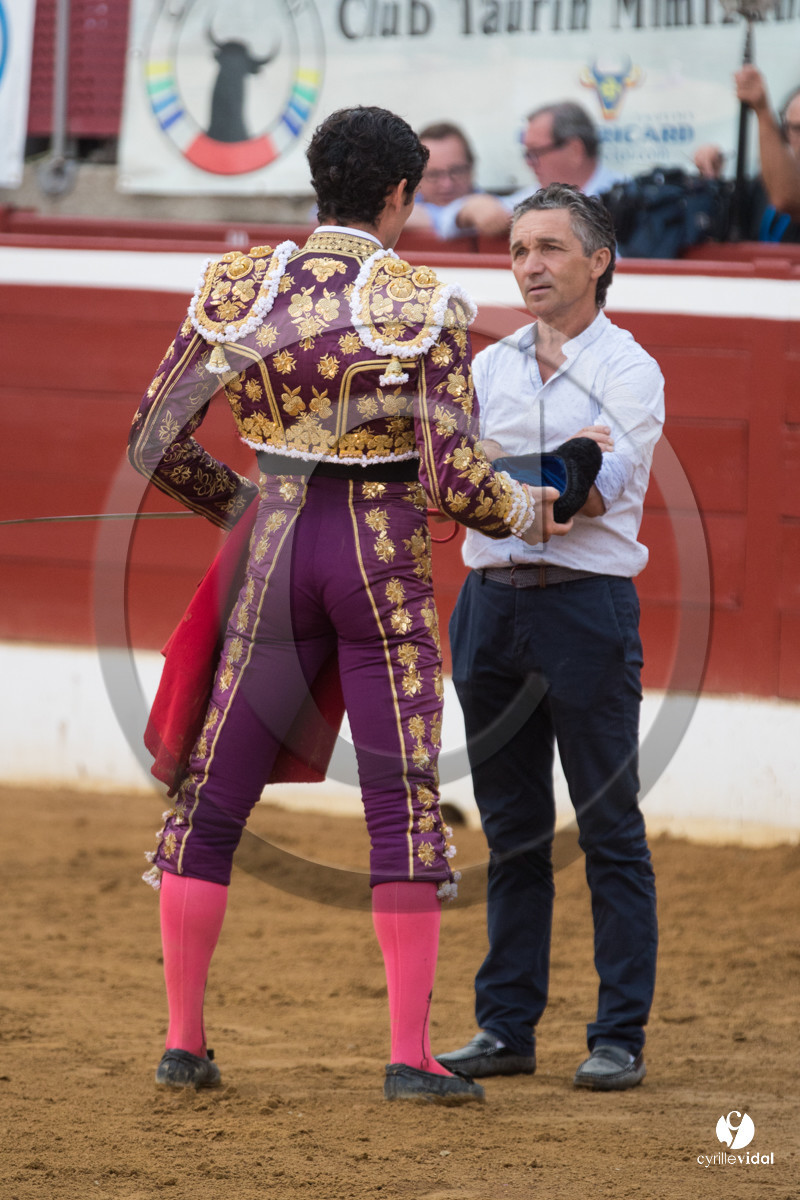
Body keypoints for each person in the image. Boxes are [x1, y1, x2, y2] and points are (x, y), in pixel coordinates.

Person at [127, 105, 569, 1106]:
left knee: (213, 797)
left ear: (319, 185)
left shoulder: (238, 288)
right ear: (399, 193)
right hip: (375, 558)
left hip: (274, 549)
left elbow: (154, 437)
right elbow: (454, 481)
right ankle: (410, 1056)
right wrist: (522, 511)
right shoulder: (423, 303)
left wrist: (240, 505)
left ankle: (183, 1044)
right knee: (399, 801)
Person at [436, 184, 663, 1092]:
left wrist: (489, 476)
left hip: (584, 609)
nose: (529, 264)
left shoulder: (630, 369)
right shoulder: (490, 367)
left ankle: (619, 1034)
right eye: (521, 248)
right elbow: (447, 470)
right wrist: (516, 478)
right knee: (514, 827)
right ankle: (507, 1026)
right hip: (490, 606)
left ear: (598, 261)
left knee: (609, 827)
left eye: (551, 249)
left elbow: (590, 485)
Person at [694, 66, 800, 241]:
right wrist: (710, 178)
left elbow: (787, 199)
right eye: (797, 129)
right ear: (785, 132)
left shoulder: (781, 189)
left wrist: (762, 110)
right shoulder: (760, 187)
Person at [502, 101, 626, 211]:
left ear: (574, 150)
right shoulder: (538, 195)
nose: (528, 163)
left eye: (536, 152)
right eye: (528, 154)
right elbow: (500, 209)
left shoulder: (630, 201)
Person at [406, 121, 512, 239]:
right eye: (434, 175)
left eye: (456, 171)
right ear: (416, 176)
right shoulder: (401, 205)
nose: (446, 184)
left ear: (471, 168)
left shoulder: (496, 207)